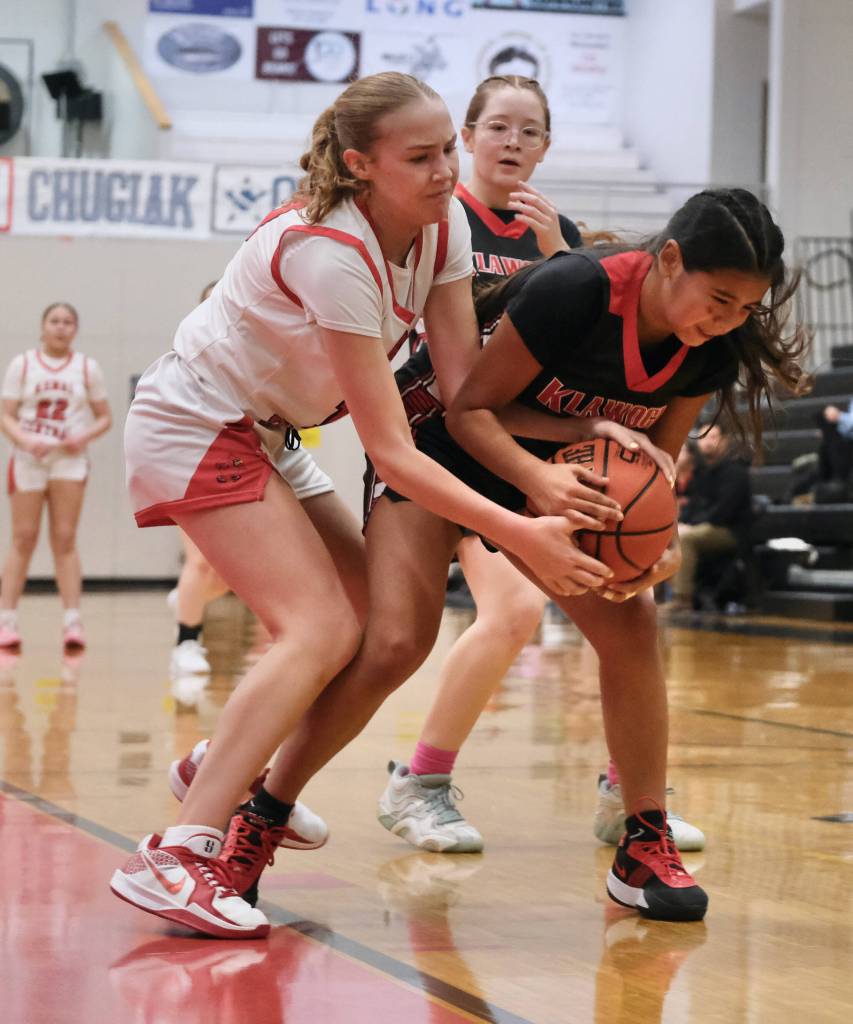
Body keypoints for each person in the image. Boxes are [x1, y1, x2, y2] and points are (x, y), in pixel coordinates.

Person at [109, 72, 610, 940]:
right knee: (319, 628)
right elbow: (391, 452)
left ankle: (217, 766)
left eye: (447, 148)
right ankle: (175, 857)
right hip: (196, 421)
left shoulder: (438, 222)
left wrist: (590, 427)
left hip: (266, 435)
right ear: (359, 164)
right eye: (419, 157)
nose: (446, 170)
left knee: (374, 617)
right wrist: (519, 525)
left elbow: (461, 395)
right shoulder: (330, 253)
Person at [441, 187, 808, 920]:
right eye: (720, 298)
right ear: (669, 260)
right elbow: (467, 410)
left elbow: (654, 469)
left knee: (633, 625)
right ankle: (260, 787)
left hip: (564, 481)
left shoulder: (710, 346)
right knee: (384, 640)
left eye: (746, 308)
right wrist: (541, 476)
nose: (730, 320)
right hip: (454, 454)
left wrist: (655, 545)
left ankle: (642, 840)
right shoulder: (575, 288)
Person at [0, 303, 112, 650]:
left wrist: (84, 436)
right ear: (43, 326)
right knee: (23, 538)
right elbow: (5, 414)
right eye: (55, 321)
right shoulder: (23, 364)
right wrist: (24, 439)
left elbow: (104, 417)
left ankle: (72, 622)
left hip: (68, 461)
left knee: (64, 539)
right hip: (29, 459)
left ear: (75, 329)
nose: (61, 327)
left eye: (68, 322)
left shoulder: (86, 368)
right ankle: (7, 619)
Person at [670, 421, 753, 610]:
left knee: (685, 537)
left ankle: (682, 598)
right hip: (706, 526)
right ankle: (654, 597)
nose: (706, 442)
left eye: (712, 437)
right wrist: (682, 522)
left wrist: (690, 525)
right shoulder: (701, 471)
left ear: (724, 440)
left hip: (731, 531)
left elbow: (724, 511)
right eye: (702, 438)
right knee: (668, 533)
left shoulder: (735, 470)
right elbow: (693, 504)